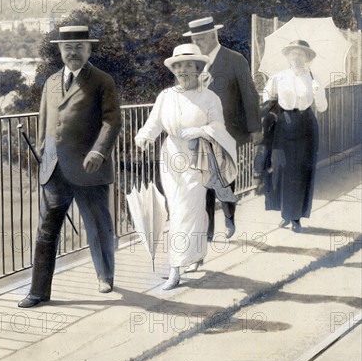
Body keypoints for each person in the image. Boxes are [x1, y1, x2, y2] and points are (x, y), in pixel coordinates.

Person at [18, 21, 122, 308]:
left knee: (98, 226)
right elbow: (43, 122)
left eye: (79, 47)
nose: (72, 52)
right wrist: (42, 155)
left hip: (90, 169)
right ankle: (38, 291)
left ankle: (105, 276)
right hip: (54, 171)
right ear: (60, 51)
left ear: (89, 49)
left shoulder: (102, 81)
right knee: (46, 231)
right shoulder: (51, 82)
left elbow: (112, 121)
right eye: (67, 47)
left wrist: (99, 152)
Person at [135, 44, 237, 290]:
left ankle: (175, 268)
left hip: (198, 157)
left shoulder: (209, 98)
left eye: (189, 66)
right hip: (170, 158)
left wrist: (200, 130)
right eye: (179, 66)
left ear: (198, 69)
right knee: (183, 208)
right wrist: (144, 136)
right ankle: (197, 253)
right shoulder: (166, 96)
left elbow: (219, 126)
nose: (183, 71)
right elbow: (154, 123)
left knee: (184, 210)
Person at [184, 17, 261, 240]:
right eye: (194, 39)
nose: (197, 43)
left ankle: (229, 217)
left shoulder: (235, 60)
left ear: (212, 36)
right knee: (203, 182)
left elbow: (249, 95)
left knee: (226, 177)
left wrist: (255, 128)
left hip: (228, 132)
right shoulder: (192, 63)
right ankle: (207, 232)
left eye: (200, 39)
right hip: (201, 133)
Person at [261, 40, 327, 232]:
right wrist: (271, 109)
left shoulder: (314, 78)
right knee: (281, 168)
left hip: (306, 124)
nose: (296, 57)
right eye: (293, 53)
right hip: (283, 124)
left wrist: (317, 92)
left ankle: (296, 217)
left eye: (301, 54)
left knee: (301, 171)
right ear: (287, 56)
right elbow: (267, 98)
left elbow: (322, 108)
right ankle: (285, 213)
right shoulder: (278, 78)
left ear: (308, 57)